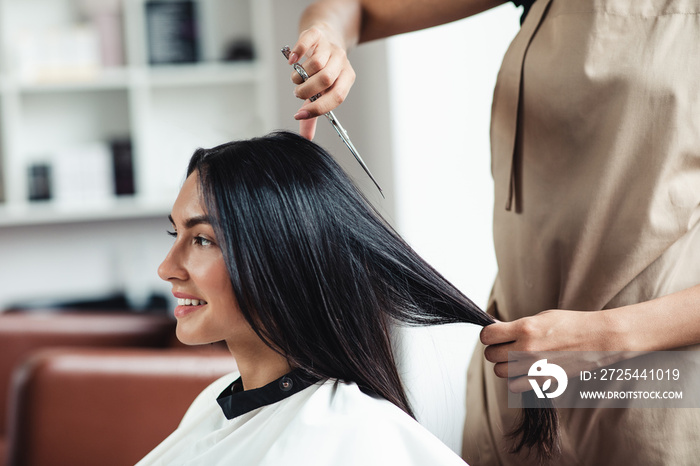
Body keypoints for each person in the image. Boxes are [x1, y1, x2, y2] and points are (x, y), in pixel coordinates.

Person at [287, 1, 700, 465]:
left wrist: (602, 339)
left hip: (654, 383)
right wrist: (327, 37)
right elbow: (354, 7)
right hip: (519, 372)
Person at [136, 131, 555, 465]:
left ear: (281, 252)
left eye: (203, 239)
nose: (167, 267)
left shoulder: (342, 431)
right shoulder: (213, 404)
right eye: (177, 234)